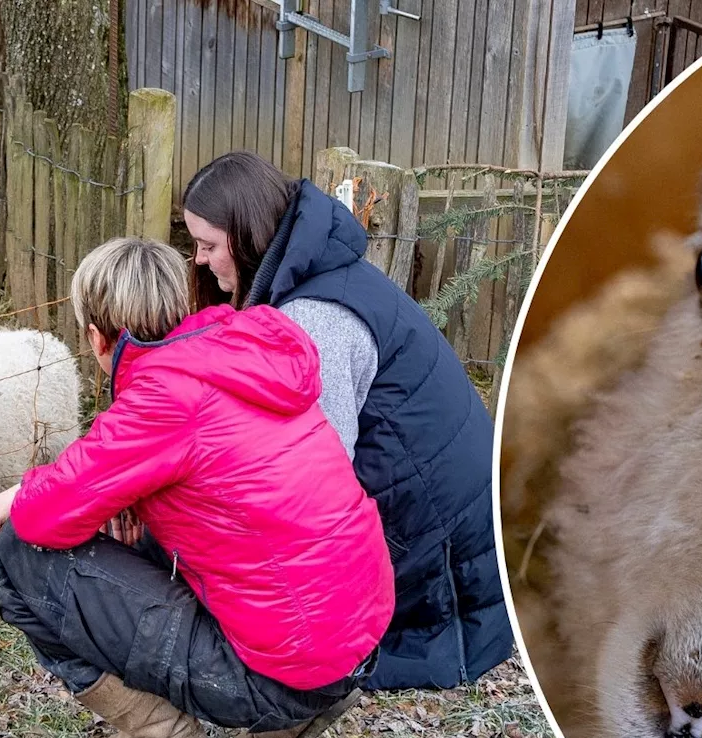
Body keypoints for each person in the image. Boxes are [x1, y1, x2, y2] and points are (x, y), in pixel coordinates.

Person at [0, 237, 395, 738]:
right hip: (353, 640)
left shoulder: (163, 398)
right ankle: (295, 716)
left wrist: (21, 493)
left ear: (98, 337)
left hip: (285, 668)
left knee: (16, 550)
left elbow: (47, 518)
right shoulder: (240, 352)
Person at [181, 151, 513, 692]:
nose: (198, 260)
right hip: (454, 536)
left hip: (445, 577)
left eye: (209, 245)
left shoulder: (314, 321)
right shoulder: (327, 276)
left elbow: (317, 480)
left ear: (248, 238)